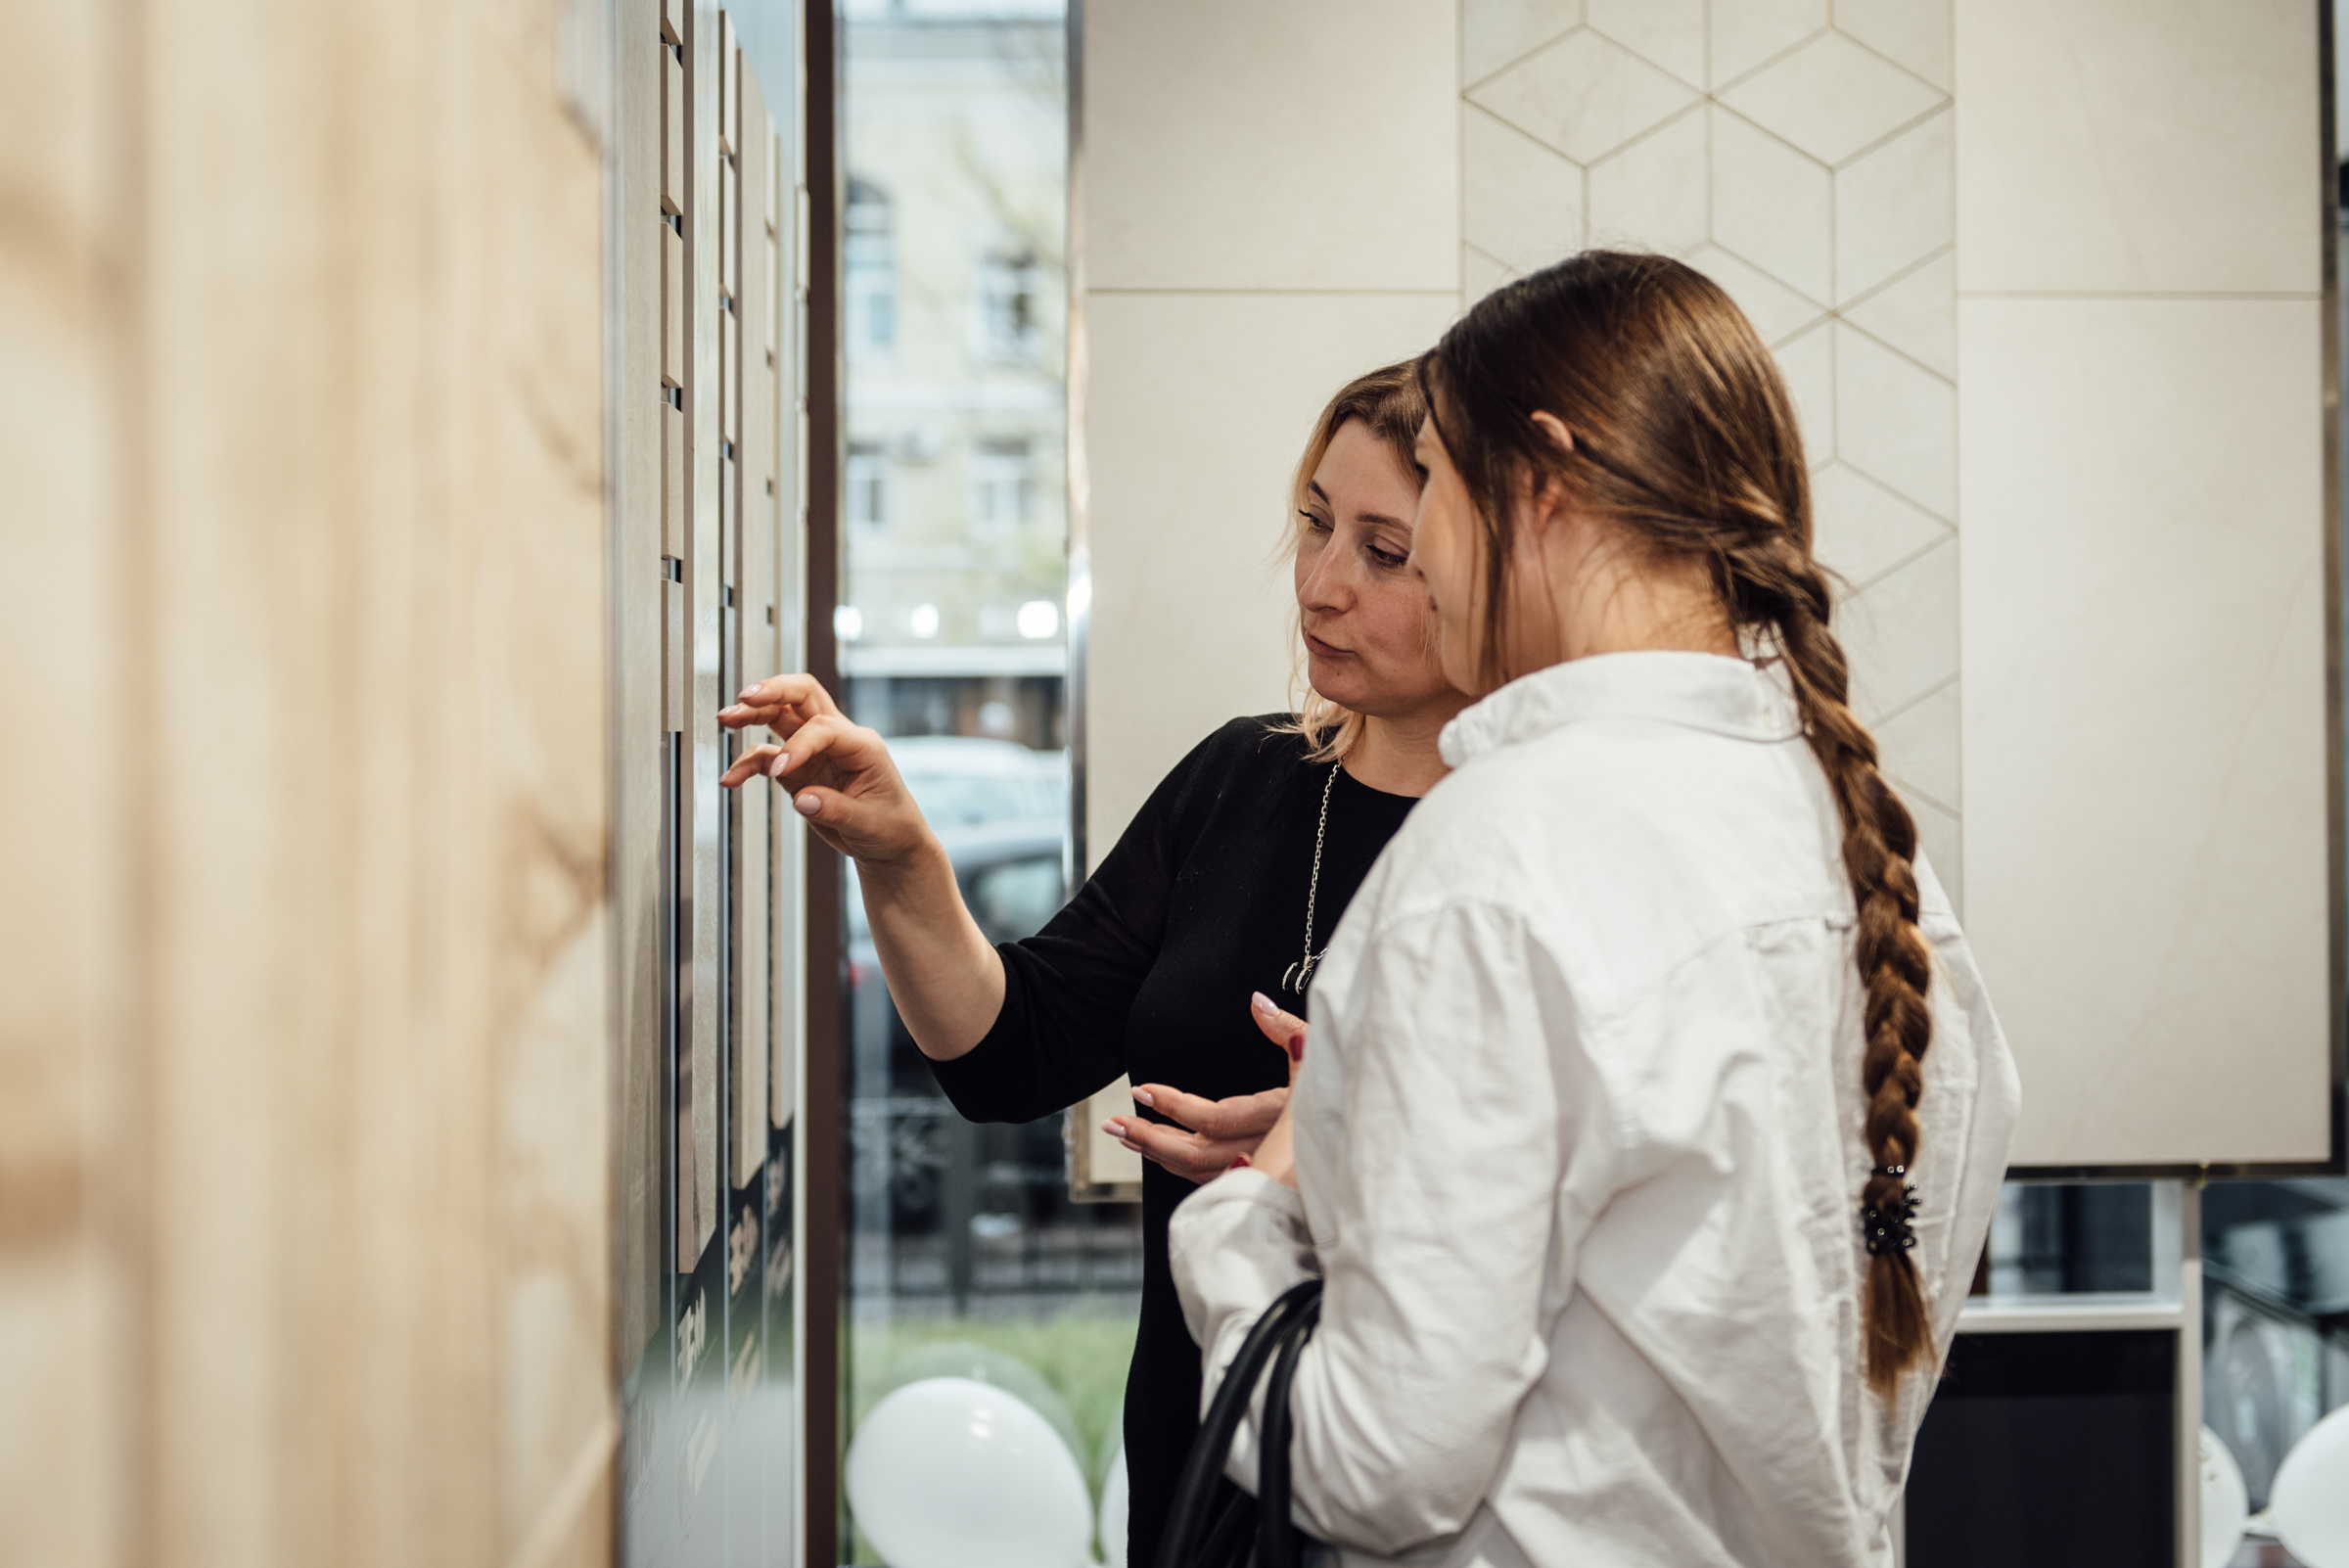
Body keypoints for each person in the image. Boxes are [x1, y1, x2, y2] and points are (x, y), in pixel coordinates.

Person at [1170, 253, 2022, 1568]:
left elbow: (1373, 1468)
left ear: (1542, 479)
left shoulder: (1493, 855)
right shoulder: (1884, 868)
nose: (1417, 562)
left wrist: (1243, 1221)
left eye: (1430, 494)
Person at [717, 362, 1472, 1564]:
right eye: (1318, 524)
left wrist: (1350, 1134)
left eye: (1385, 552)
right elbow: (1011, 1055)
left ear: (1485, 571)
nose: (1322, 585)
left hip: (1428, 1491)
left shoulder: (1529, 833)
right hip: (1198, 1454)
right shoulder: (1245, 779)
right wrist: (904, 855)